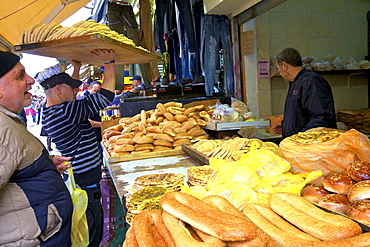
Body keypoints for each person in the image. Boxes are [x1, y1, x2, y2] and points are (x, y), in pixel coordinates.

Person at [40, 49, 116, 247]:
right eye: (71, 87)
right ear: (58, 89)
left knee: (89, 228)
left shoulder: (49, 109)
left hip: (79, 177)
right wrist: (109, 62)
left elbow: (71, 96)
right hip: (86, 181)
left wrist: (76, 68)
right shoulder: (66, 111)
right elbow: (105, 97)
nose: (76, 91)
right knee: (92, 231)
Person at [0, 51, 73, 245]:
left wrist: (44, 166)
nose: (31, 80)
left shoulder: (8, 119)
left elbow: (14, 168)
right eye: (20, 76)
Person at [273, 47, 337, 138]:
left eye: (278, 68)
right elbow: (301, 112)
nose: (279, 73)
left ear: (284, 65)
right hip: (297, 145)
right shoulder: (295, 82)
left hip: (310, 147)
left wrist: (301, 138)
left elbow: (322, 118)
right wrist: (286, 124)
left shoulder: (311, 82)